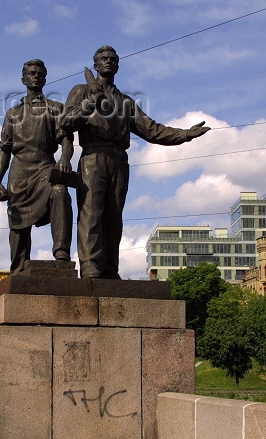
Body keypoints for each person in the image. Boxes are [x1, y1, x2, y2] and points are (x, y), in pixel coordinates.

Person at [61, 45, 210, 279]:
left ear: (118, 65)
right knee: (91, 213)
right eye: (103, 58)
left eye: (112, 59)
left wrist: (184, 135)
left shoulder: (126, 102)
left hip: (119, 160)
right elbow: (66, 122)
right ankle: (90, 266)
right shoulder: (81, 90)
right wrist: (89, 104)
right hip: (92, 156)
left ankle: (110, 269)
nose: (108, 61)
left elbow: (152, 130)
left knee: (113, 217)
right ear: (96, 64)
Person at [0, 58, 74, 273]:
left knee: (60, 192)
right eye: (31, 73)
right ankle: (18, 269)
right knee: (18, 226)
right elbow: (5, 149)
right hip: (19, 173)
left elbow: (66, 139)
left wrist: (65, 159)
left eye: (39, 73)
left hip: (45, 169)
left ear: (45, 79)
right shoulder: (13, 114)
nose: (35, 76)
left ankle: (61, 253)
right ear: (23, 79)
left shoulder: (55, 108)